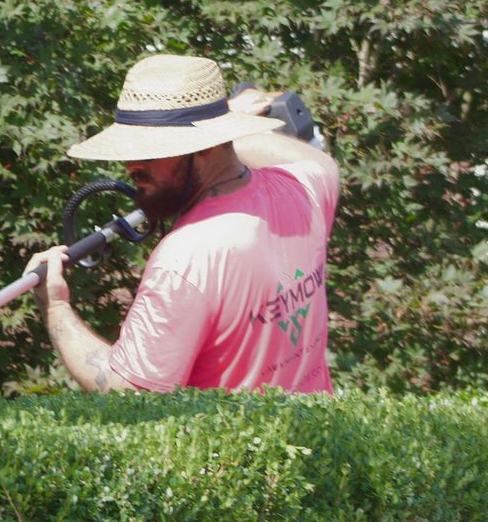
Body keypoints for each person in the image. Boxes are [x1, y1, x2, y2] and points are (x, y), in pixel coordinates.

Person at [25, 54, 339, 394]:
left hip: (233, 448)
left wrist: (56, 308)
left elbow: (127, 391)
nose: (132, 165)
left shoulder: (186, 258)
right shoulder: (307, 186)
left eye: (153, 150)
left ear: (204, 148)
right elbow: (306, 157)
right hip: (313, 436)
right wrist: (225, 122)